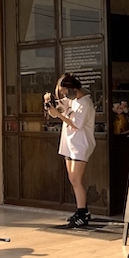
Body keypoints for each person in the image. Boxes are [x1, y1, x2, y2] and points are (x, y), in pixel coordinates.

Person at [44, 73, 96, 228]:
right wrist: (49, 104)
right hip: (69, 144)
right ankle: (81, 209)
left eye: (66, 91)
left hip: (80, 145)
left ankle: (82, 213)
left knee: (76, 180)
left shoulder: (85, 103)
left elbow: (76, 124)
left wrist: (59, 114)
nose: (65, 95)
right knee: (72, 179)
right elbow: (56, 111)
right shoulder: (72, 101)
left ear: (73, 88)